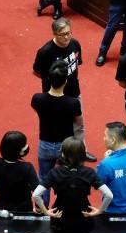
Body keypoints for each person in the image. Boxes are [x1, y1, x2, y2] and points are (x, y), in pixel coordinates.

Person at [34, 137, 112, 233]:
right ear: (84, 154)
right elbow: (109, 195)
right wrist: (100, 210)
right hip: (84, 219)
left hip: (59, 220)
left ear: (63, 154)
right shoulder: (89, 173)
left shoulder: (54, 172)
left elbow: (36, 194)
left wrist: (45, 211)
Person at [33, 18, 88, 153]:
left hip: (74, 91)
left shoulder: (75, 44)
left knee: (78, 124)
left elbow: (77, 64)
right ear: (54, 34)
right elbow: (37, 72)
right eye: (62, 34)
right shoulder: (45, 52)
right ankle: (60, 152)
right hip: (54, 95)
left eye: (69, 33)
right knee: (57, 124)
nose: (67, 37)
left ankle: (80, 151)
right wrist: (53, 81)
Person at [32, 61, 82, 192]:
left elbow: (37, 111)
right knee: (66, 179)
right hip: (66, 146)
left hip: (45, 145)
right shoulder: (73, 103)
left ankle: (41, 210)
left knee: (43, 179)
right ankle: (62, 208)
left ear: (49, 79)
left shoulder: (37, 99)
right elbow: (78, 122)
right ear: (65, 81)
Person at [0, 131, 39, 213]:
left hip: (2, 207)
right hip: (24, 208)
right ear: (20, 152)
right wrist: (38, 209)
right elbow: (38, 191)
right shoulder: (27, 167)